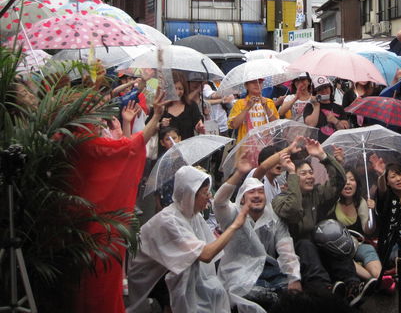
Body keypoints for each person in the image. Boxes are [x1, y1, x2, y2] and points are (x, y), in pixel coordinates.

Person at [71, 90, 167, 313]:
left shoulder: (72, 137)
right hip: (99, 221)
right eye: (97, 110)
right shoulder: (88, 142)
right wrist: (156, 115)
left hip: (85, 217)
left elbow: (126, 145)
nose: (101, 116)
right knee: (100, 279)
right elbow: (129, 147)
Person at [126, 166, 250, 313]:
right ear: (190, 194)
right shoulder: (169, 220)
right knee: (189, 275)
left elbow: (210, 249)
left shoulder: (192, 214)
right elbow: (206, 254)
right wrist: (235, 225)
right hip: (152, 278)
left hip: (168, 268)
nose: (209, 196)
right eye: (205, 193)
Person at [272, 139, 376, 307]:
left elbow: (340, 181)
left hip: (317, 245)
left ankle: (352, 286)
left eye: (311, 172)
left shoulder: (317, 193)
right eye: (303, 174)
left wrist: (323, 156)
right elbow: (293, 209)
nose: (309, 176)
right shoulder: (279, 200)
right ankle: (323, 290)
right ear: (292, 178)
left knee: (330, 237)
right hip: (295, 252)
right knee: (306, 244)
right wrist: (291, 173)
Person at [214, 150, 302, 310]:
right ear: (242, 199)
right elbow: (219, 202)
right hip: (237, 273)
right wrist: (239, 173)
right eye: (251, 192)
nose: (257, 196)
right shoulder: (232, 214)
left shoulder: (273, 218)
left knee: (291, 297)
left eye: (261, 192)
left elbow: (286, 249)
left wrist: (294, 278)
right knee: (256, 296)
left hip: (269, 272)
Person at [328, 169, 384, 284]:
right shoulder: (332, 202)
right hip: (339, 248)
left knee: (369, 250)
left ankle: (379, 277)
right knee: (343, 258)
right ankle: (373, 281)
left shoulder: (361, 202)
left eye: (352, 179)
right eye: (345, 180)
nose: (348, 183)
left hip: (358, 244)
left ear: (357, 184)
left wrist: (371, 213)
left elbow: (368, 230)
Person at [250, 138, 304, 203]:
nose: (280, 163)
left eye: (281, 160)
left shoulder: (276, 183)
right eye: (276, 160)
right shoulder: (256, 176)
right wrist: (288, 149)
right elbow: (263, 167)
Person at [157, 71, 204, 141]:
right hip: (167, 147)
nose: (177, 92)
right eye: (174, 88)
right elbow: (149, 126)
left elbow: (198, 121)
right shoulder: (161, 106)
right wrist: (160, 124)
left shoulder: (191, 106)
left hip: (187, 146)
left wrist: (199, 127)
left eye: (180, 89)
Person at [304, 76, 349, 142]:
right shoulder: (310, 106)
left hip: (335, 144)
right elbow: (311, 124)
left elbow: (345, 130)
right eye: (320, 89)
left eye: (326, 87)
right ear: (315, 92)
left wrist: (335, 121)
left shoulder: (339, 107)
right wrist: (316, 106)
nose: (324, 91)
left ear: (330, 88)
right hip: (316, 144)